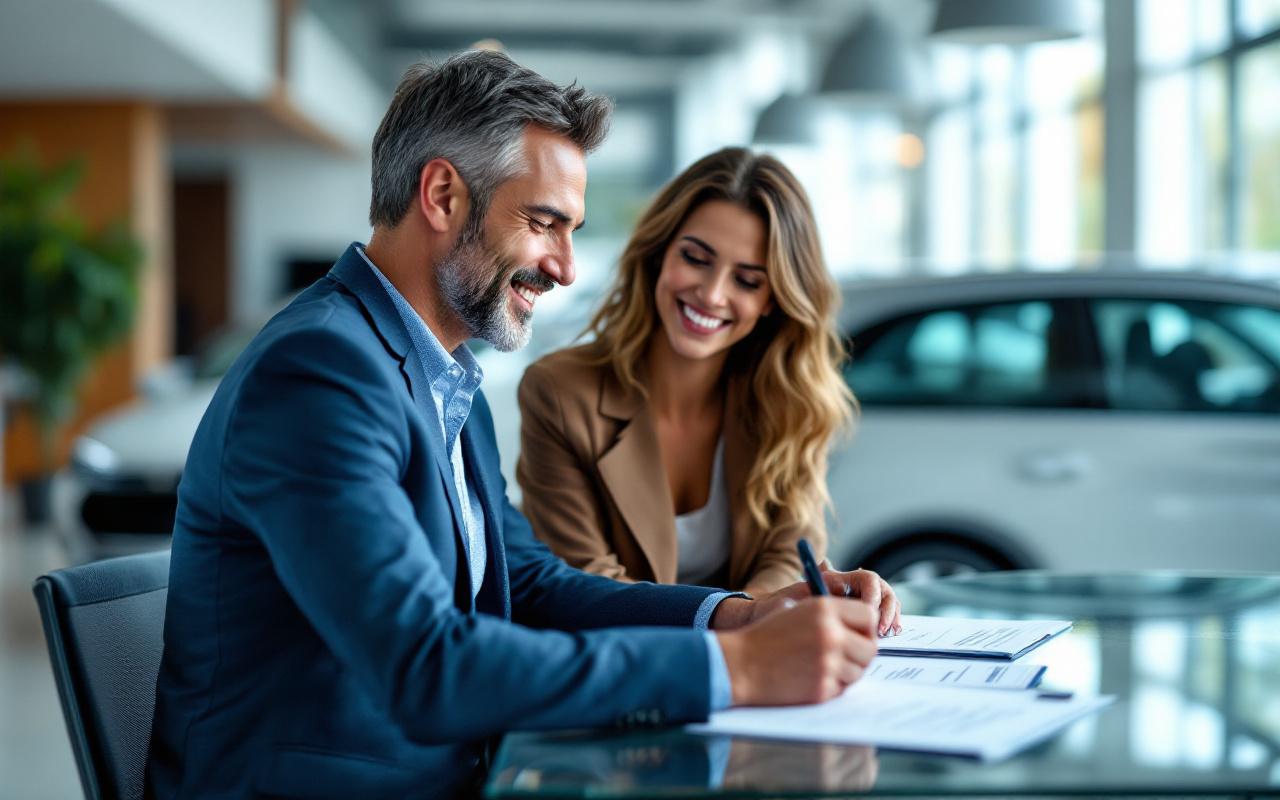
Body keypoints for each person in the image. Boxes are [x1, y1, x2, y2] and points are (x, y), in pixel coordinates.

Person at [147, 51, 899, 799]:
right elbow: (424, 665)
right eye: (544, 223)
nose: (566, 268)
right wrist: (738, 671)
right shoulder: (319, 373)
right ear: (442, 195)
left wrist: (741, 617)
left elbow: (530, 586)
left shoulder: (441, 373)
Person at [517, 148, 868, 597]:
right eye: (697, 258)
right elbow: (585, 586)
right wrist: (744, 620)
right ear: (660, 252)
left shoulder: (791, 403)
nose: (712, 294)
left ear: (772, 300)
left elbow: (786, 559)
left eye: (747, 280)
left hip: (753, 663)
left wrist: (756, 627)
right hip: (620, 660)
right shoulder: (560, 392)